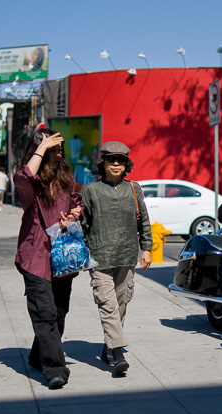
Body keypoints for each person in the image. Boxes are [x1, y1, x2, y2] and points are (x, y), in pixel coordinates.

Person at [14, 125, 83, 389]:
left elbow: (77, 202)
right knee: (44, 313)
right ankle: (55, 368)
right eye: (51, 150)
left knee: (59, 311)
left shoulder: (65, 178)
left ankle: (37, 355)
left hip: (63, 253)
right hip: (35, 256)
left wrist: (75, 214)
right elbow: (25, 176)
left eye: (58, 149)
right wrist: (41, 147)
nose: (57, 155)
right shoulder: (28, 182)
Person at [81, 141, 153, 374]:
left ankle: (107, 347)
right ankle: (118, 352)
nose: (115, 163)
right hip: (100, 258)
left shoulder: (135, 189)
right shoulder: (91, 190)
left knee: (121, 303)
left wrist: (147, 248)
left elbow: (144, 220)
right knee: (108, 305)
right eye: (111, 159)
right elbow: (83, 224)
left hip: (126, 257)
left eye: (120, 160)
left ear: (126, 164)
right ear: (102, 163)